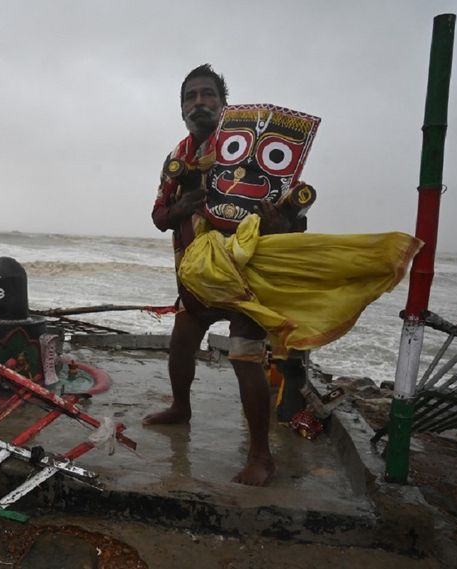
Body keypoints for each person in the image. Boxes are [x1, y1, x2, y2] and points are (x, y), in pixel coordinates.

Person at [144, 64, 291, 486]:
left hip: (245, 277)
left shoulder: (257, 150)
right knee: (180, 348)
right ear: (182, 108)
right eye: (190, 97)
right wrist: (183, 205)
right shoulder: (177, 158)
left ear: (225, 104)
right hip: (195, 277)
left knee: (245, 359)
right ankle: (181, 409)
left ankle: (262, 455)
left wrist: (281, 225)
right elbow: (158, 216)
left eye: (208, 94)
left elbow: (293, 217)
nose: (199, 103)